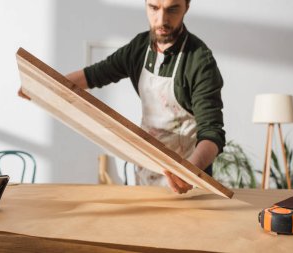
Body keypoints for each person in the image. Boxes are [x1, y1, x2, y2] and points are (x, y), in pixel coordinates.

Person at [19, 0, 225, 194]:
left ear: (186, 7)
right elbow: (95, 74)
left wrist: (189, 172)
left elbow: (212, 133)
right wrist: (43, 86)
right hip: (145, 173)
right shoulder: (139, 47)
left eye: (172, 9)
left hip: (188, 180)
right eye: (154, 7)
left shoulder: (200, 60)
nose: (161, 20)